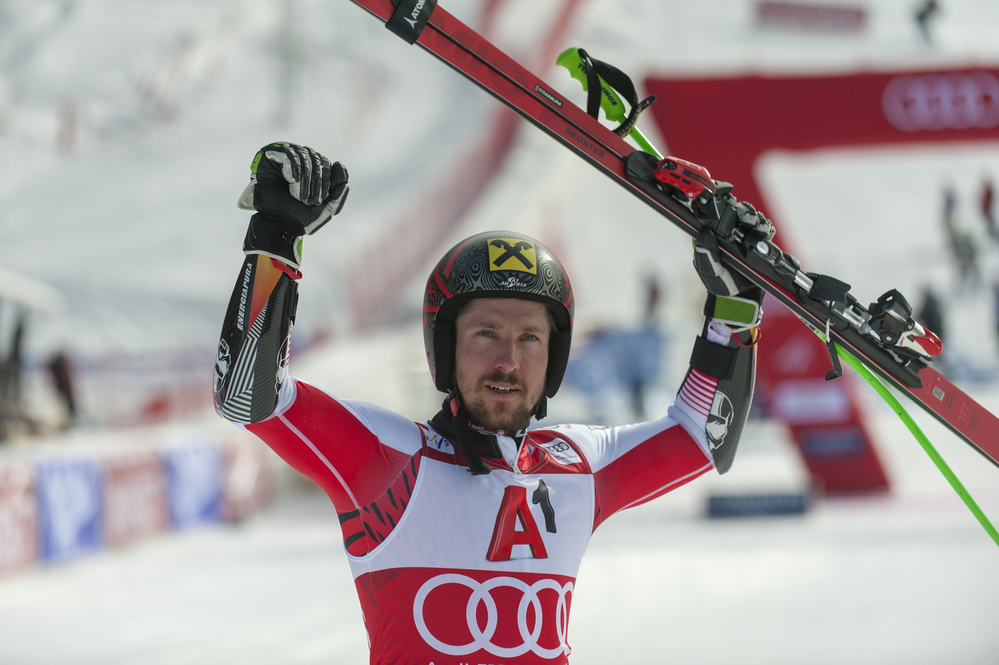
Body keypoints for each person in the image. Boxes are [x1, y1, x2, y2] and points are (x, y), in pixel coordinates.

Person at [213, 143, 767, 664]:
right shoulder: (389, 461)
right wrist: (276, 236)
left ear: (552, 359)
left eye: (530, 338)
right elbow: (247, 393)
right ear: (445, 348)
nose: (508, 360)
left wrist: (736, 308)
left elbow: (702, 437)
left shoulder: (578, 467)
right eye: (484, 334)